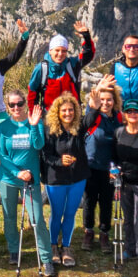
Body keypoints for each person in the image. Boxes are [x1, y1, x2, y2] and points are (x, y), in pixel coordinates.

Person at [89, 86, 138, 277]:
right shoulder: (119, 133)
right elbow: (114, 157)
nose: (132, 114)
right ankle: (130, 249)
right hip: (124, 185)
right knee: (128, 221)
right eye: (129, 111)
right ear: (125, 113)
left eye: (136, 111)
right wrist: (114, 168)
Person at [0, 91, 56, 277]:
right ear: (8, 106)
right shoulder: (4, 127)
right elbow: (2, 156)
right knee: (10, 218)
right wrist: (17, 172)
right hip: (8, 179)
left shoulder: (35, 121)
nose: (16, 108)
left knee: (37, 219)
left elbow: (38, 145)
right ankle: (14, 250)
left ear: (25, 104)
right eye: (12, 105)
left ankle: (46, 259)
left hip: (31, 181)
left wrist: (33, 125)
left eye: (19, 104)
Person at [42, 92, 91, 267]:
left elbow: (91, 118)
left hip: (77, 178)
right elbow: (44, 155)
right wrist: (59, 161)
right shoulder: (49, 129)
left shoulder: (79, 127)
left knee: (70, 213)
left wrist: (94, 102)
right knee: (57, 213)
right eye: (64, 110)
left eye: (71, 110)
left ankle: (67, 247)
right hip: (55, 179)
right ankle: (53, 246)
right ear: (57, 112)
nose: (68, 113)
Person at [82, 76, 123, 253]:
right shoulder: (92, 115)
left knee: (107, 201)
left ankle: (104, 233)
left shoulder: (119, 119)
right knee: (90, 201)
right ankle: (88, 231)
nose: (105, 103)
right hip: (90, 165)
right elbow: (86, 119)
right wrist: (98, 89)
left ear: (115, 102)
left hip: (109, 168)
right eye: (103, 100)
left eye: (109, 100)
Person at [27, 22, 95, 111]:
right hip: (50, 117)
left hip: (71, 115)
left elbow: (88, 55)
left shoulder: (71, 64)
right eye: (57, 50)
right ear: (50, 51)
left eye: (63, 51)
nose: (60, 54)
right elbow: (32, 94)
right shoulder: (41, 69)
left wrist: (86, 36)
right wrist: (34, 117)